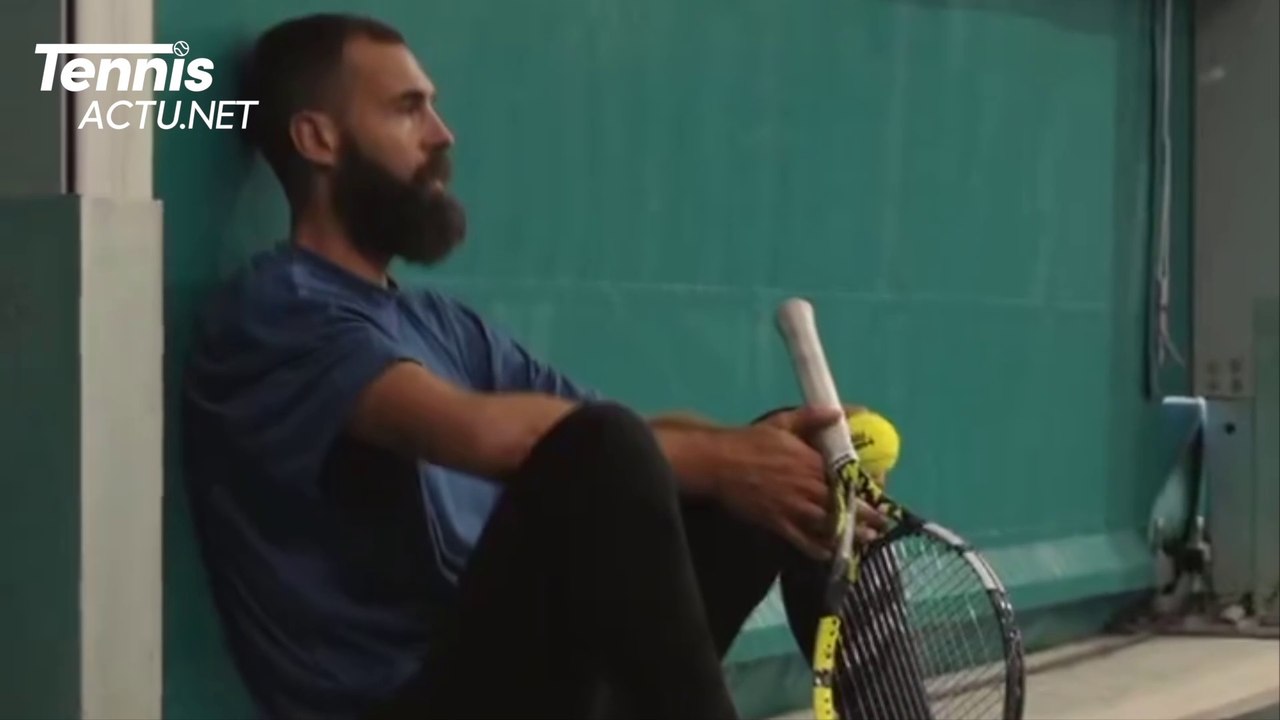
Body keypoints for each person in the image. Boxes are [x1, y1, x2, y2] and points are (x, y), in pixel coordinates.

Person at [181, 12, 888, 720]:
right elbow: (513, 440)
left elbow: (625, 442)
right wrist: (721, 462)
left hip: (517, 686)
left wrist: (757, 454)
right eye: (407, 108)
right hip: (399, 704)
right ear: (317, 138)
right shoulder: (276, 313)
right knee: (637, 454)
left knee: (772, 475)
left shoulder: (439, 324)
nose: (441, 132)